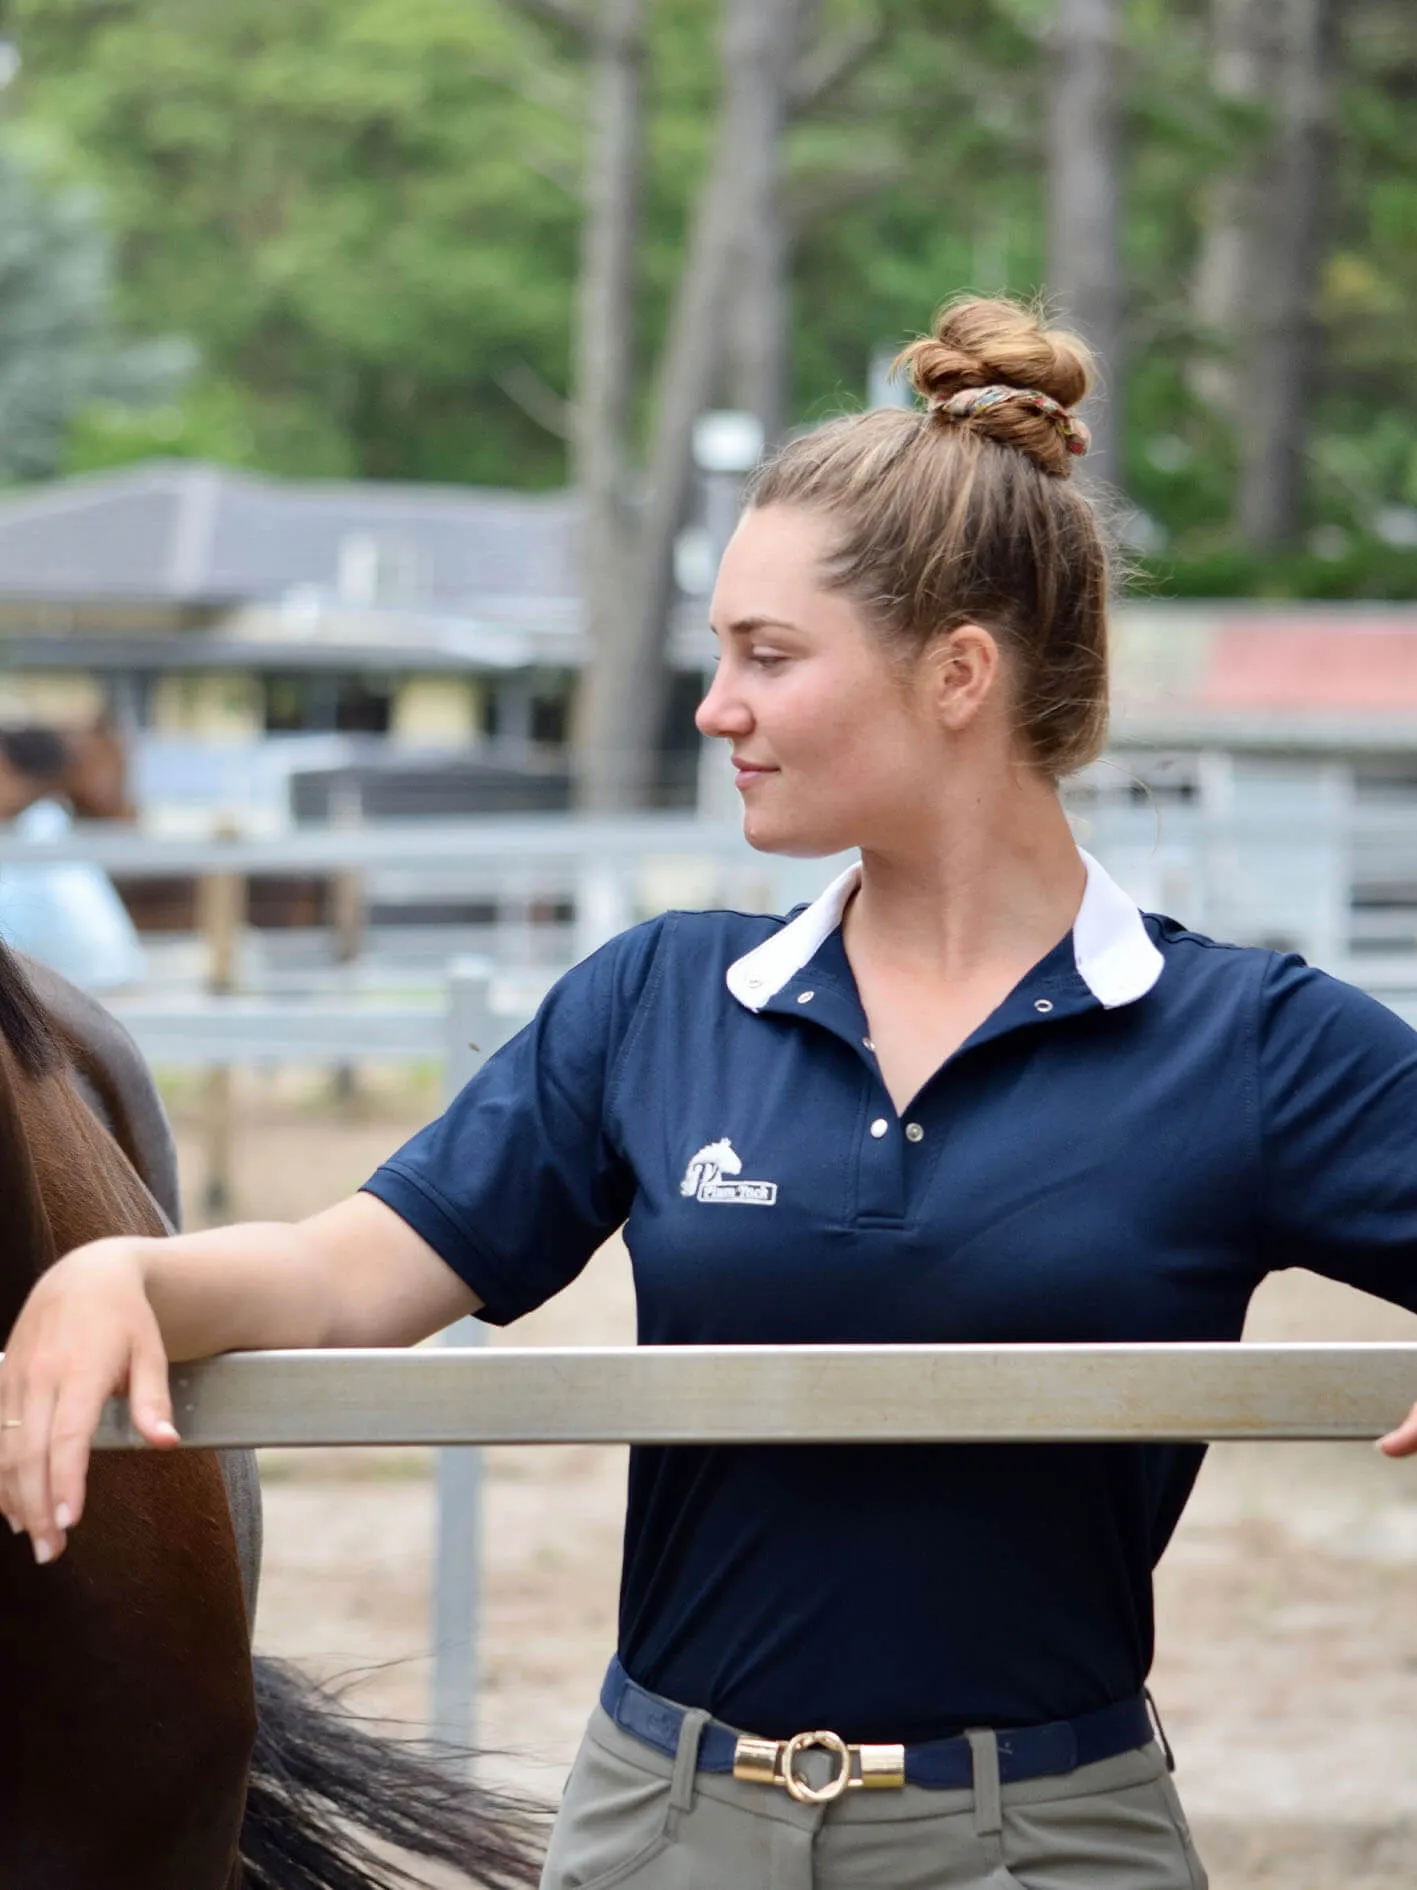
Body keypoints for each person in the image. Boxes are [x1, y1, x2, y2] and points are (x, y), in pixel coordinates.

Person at [4, 295, 1417, 1890]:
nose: (714, 705)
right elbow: (351, 1271)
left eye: (766, 655)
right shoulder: (660, 1000)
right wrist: (124, 1268)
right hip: (658, 1830)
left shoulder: (1244, 1039)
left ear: (959, 674)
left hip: (1047, 1840)